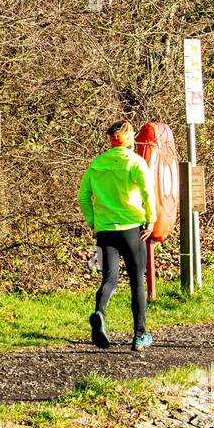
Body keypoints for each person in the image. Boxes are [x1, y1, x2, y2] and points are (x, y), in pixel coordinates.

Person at [78, 119, 156, 352]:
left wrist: (94, 221)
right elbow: (147, 193)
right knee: (136, 280)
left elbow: (83, 197)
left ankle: (99, 313)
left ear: (111, 140)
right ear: (130, 138)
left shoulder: (97, 163)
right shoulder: (135, 162)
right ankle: (140, 335)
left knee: (109, 278)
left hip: (104, 230)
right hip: (132, 229)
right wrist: (150, 219)